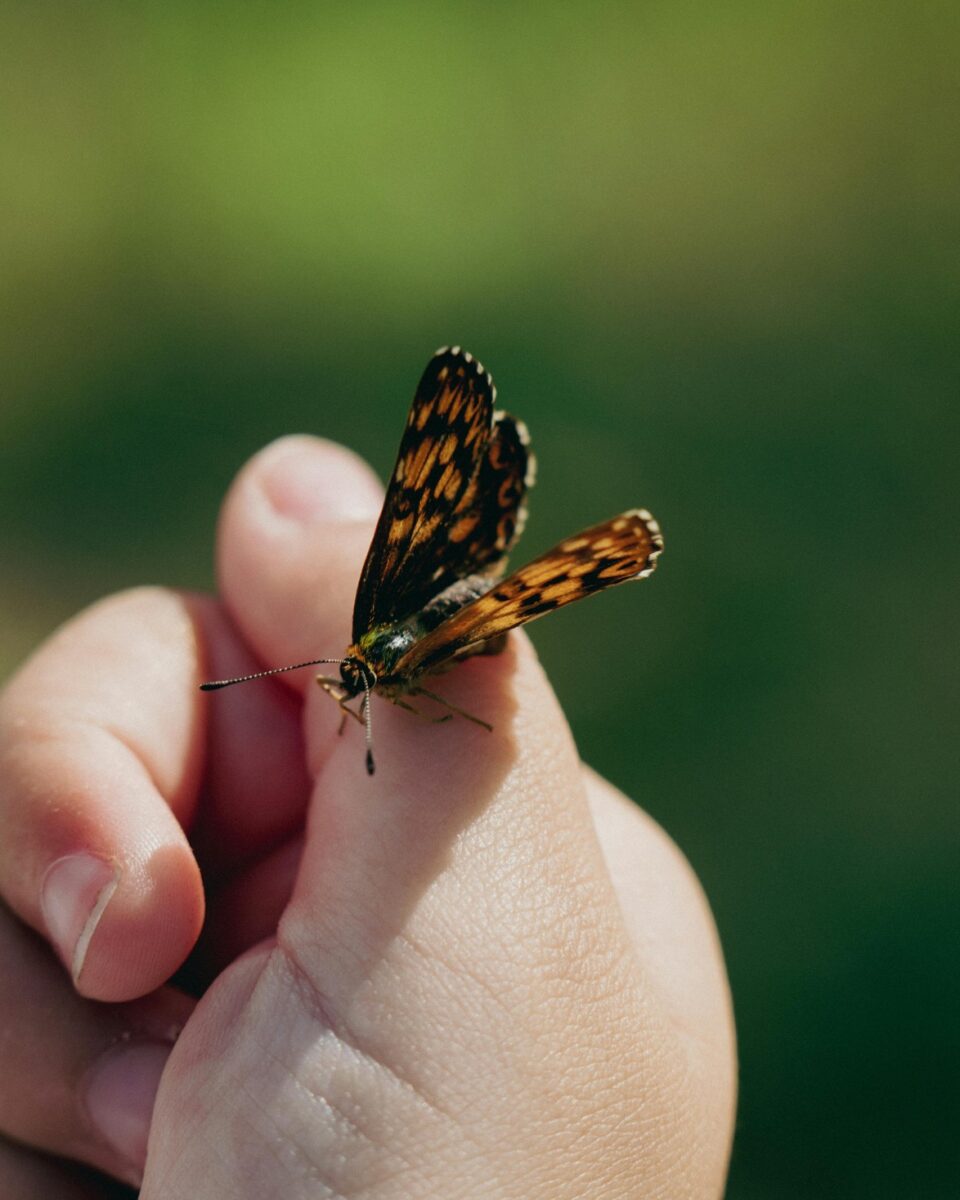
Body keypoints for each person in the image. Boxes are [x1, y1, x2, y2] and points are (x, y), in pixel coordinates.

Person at [0, 435, 736, 1198]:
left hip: (455, 615)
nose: (342, 688)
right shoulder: (363, 659)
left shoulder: (388, 662)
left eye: (352, 682)